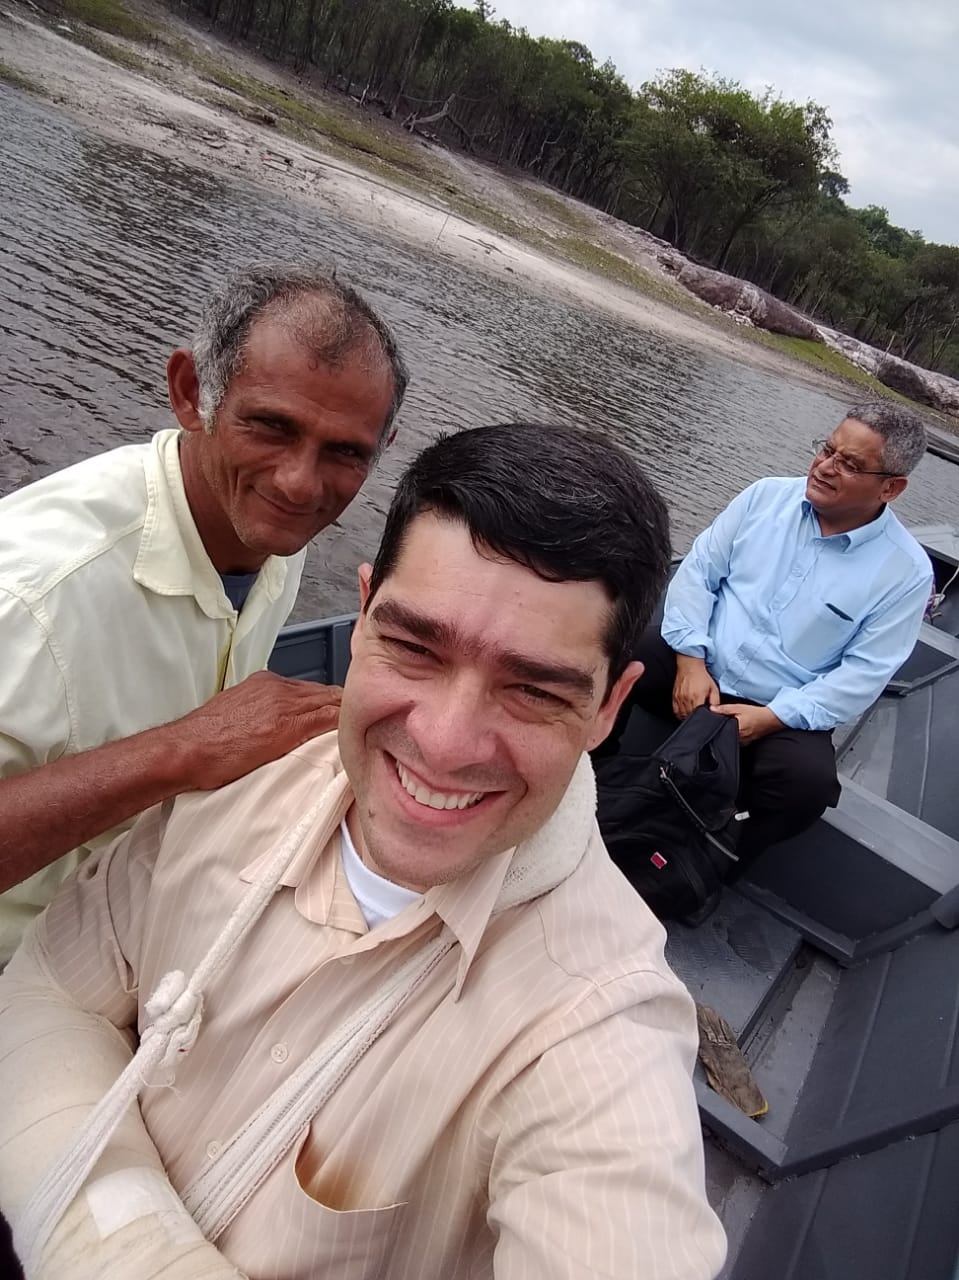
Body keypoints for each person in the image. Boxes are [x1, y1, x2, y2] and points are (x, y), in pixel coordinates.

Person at [0, 423, 726, 1280]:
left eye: (533, 690)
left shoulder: (601, 1031)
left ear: (608, 707)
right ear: (363, 610)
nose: (444, 743)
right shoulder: (241, 781)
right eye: (413, 647)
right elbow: (47, 990)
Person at [0, 262, 408, 964]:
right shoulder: (36, 594)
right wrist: (184, 750)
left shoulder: (270, 533)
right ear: (191, 394)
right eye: (271, 427)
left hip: (133, 918)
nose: (299, 483)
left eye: (344, 452)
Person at [595, 401, 932, 864]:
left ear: (891, 487)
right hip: (698, 669)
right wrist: (690, 661)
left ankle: (706, 863)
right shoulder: (765, 498)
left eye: (850, 464)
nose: (824, 467)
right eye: (827, 449)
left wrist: (773, 717)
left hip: (777, 710)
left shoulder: (905, 572)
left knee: (805, 786)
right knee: (612, 654)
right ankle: (587, 785)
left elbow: (864, 674)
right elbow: (699, 574)